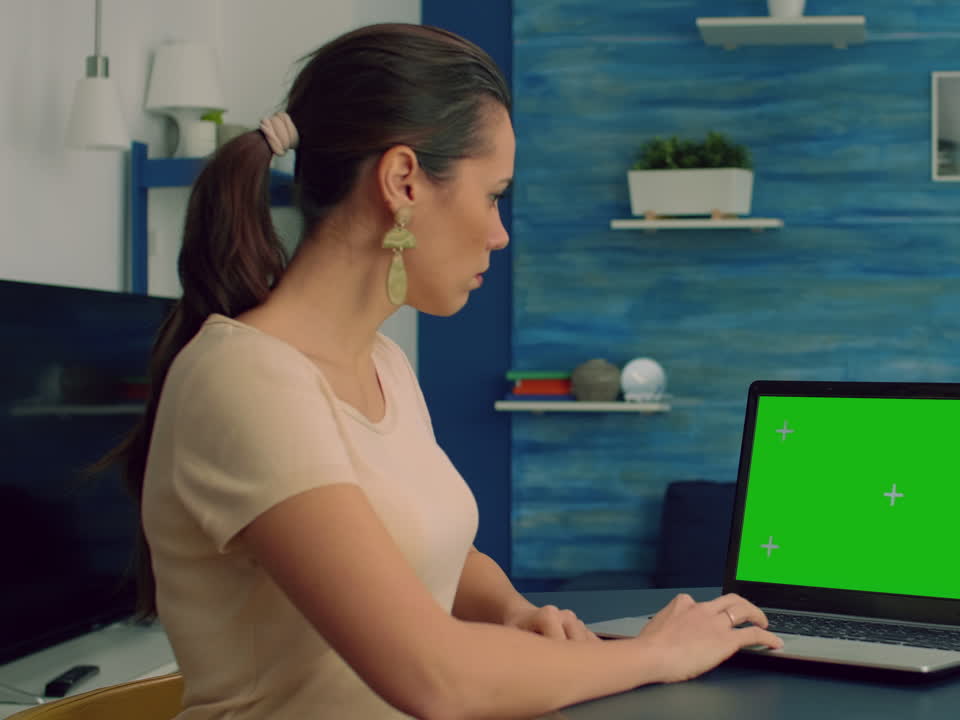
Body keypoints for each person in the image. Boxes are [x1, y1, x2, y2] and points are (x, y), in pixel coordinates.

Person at [101, 23, 782, 719]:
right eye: (494, 195)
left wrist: (514, 612)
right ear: (402, 182)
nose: (499, 232)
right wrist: (656, 653)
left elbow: (430, 551)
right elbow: (436, 678)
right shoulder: (245, 380)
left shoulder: (384, 364)